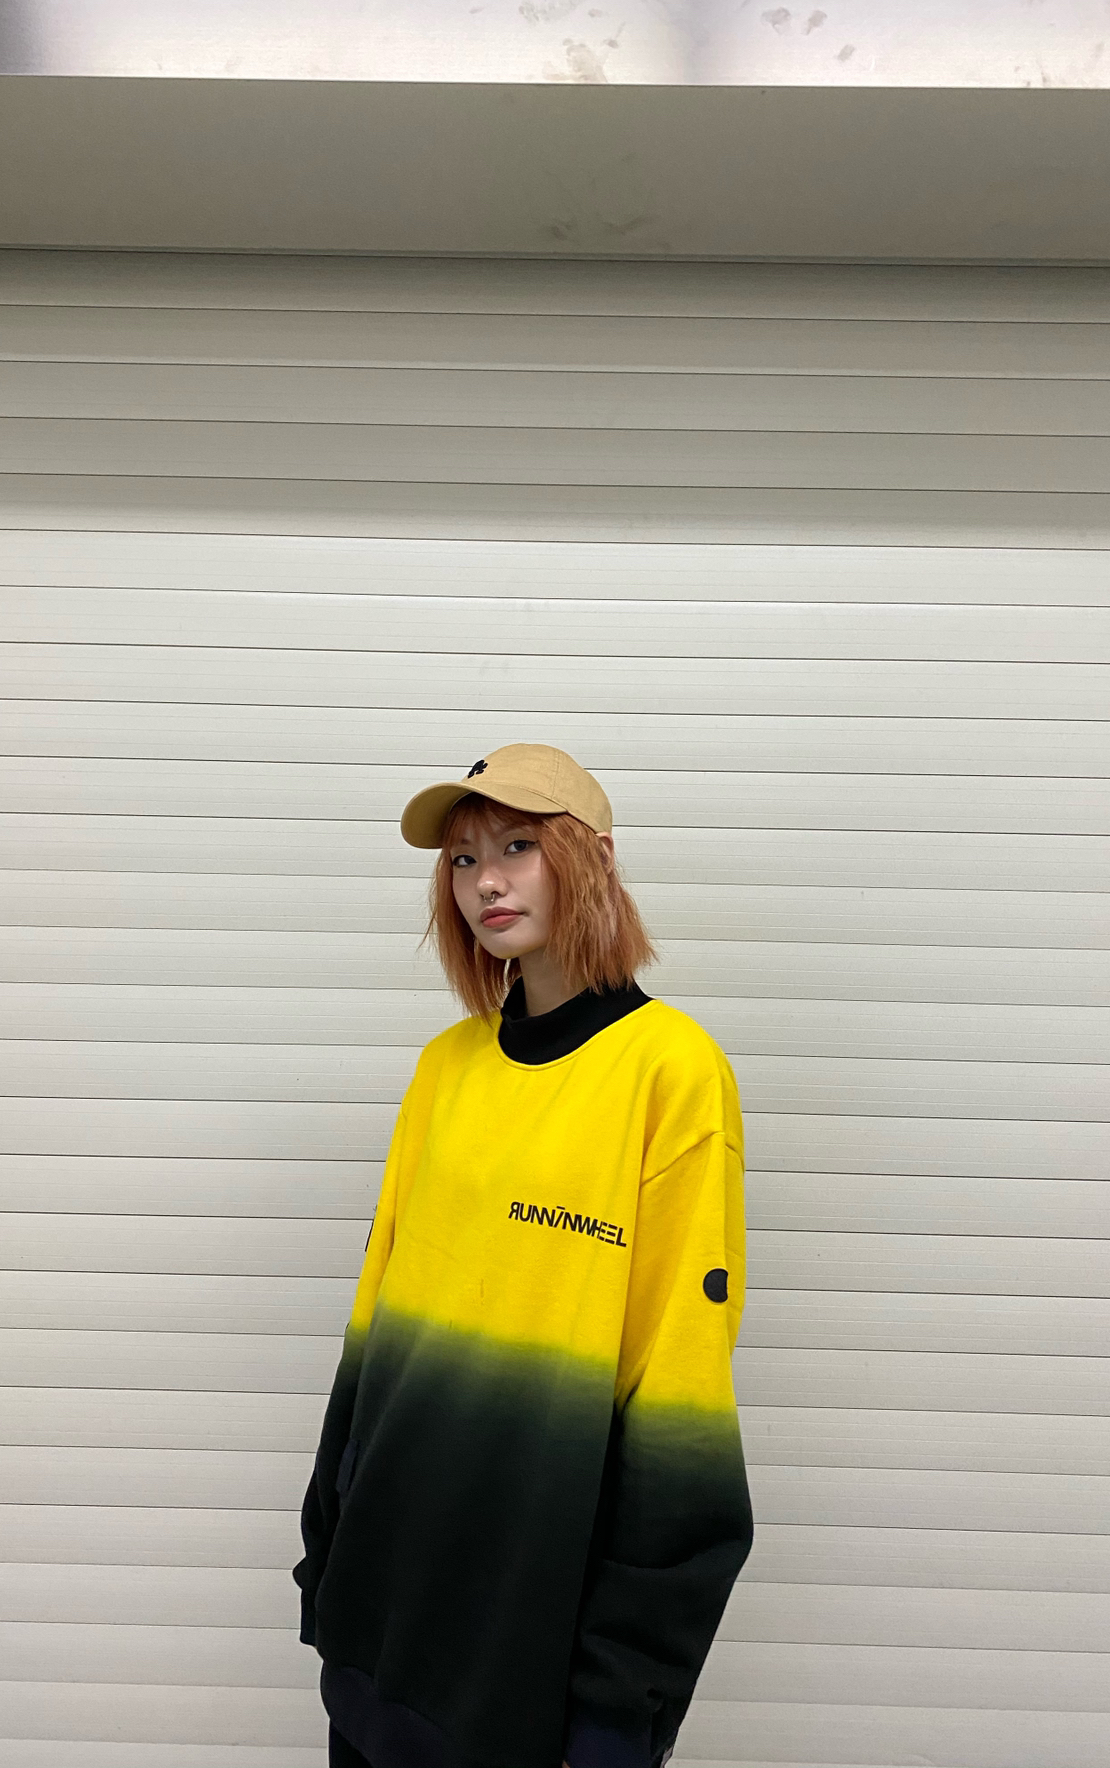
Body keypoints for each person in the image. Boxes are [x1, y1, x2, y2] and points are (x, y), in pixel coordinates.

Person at [293, 743, 752, 1768]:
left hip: (524, 1663)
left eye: (515, 847)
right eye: (462, 859)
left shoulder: (672, 1074)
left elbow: (681, 1395)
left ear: (593, 859)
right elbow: (374, 1331)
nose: (484, 883)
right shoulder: (444, 1068)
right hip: (377, 1630)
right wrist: (328, 1555)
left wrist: (620, 1703)